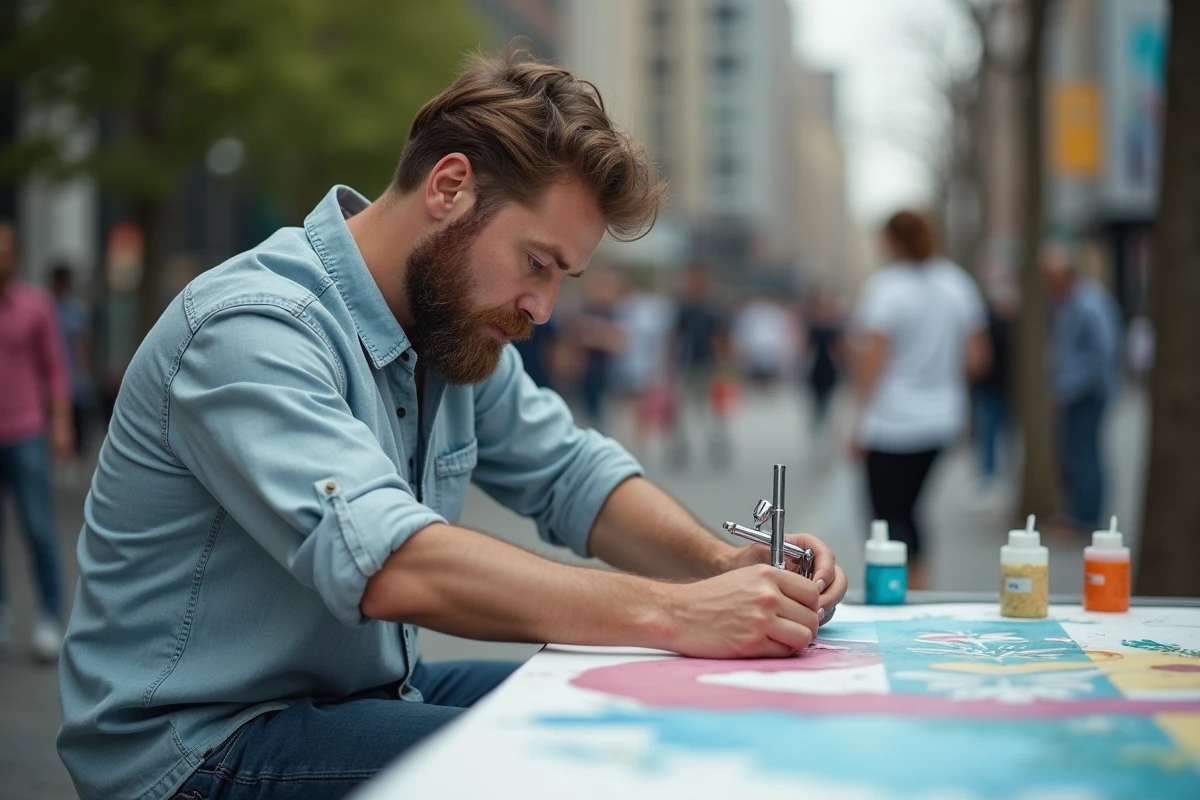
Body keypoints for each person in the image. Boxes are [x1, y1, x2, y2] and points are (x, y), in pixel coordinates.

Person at [57, 49, 848, 800]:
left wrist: (721, 567)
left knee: (649, 699)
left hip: (358, 691)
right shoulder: (253, 326)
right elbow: (394, 566)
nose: (544, 308)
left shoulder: (449, 326)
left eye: (565, 278)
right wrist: (677, 613)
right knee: (588, 763)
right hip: (199, 744)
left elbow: (573, 476)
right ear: (449, 187)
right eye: (537, 263)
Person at [849, 211, 990, 589]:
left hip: (891, 420)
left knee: (887, 516)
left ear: (891, 241)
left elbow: (871, 361)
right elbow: (978, 358)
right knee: (912, 510)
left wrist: (856, 421)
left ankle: (894, 593)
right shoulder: (957, 283)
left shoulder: (886, 288)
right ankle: (920, 588)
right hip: (941, 418)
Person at [0, 222, 72, 663]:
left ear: (18, 256)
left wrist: (60, 422)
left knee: (39, 527)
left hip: (26, 429)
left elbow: (55, 368)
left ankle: (49, 615)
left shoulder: (36, 305)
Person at [1041, 242, 1123, 533]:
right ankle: (1077, 514)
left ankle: (1087, 520)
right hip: (1074, 392)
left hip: (1088, 393)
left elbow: (1104, 351)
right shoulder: (1067, 302)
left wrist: (1073, 382)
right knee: (1074, 455)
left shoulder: (1089, 302)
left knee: (1085, 455)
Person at [667, 263, 728, 469]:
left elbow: (720, 338)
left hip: (708, 364)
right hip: (687, 364)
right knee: (681, 410)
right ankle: (680, 448)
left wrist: (723, 364)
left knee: (713, 410)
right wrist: (670, 362)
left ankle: (716, 446)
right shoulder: (684, 307)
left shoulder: (713, 308)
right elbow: (675, 336)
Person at [49, 263, 97, 460]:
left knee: (78, 425)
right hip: (53, 378)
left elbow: (84, 344)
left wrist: (85, 371)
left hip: (73, 377)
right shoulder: (47, 308)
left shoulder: (77, 310)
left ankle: (75, 459)